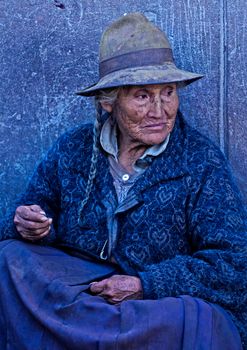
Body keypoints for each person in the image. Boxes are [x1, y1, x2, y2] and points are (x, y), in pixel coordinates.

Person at [0, 12, 246, 350]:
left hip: (151, 308)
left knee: (200, 321)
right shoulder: (73, 150)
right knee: (11, 257)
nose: (160, 110)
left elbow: (234, 262)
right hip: (85, 295)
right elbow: (33, 214)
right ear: (108, 103)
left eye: (169, 92)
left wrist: (145, 284)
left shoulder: (200, 161)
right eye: (143, 96)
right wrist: (31, 225)